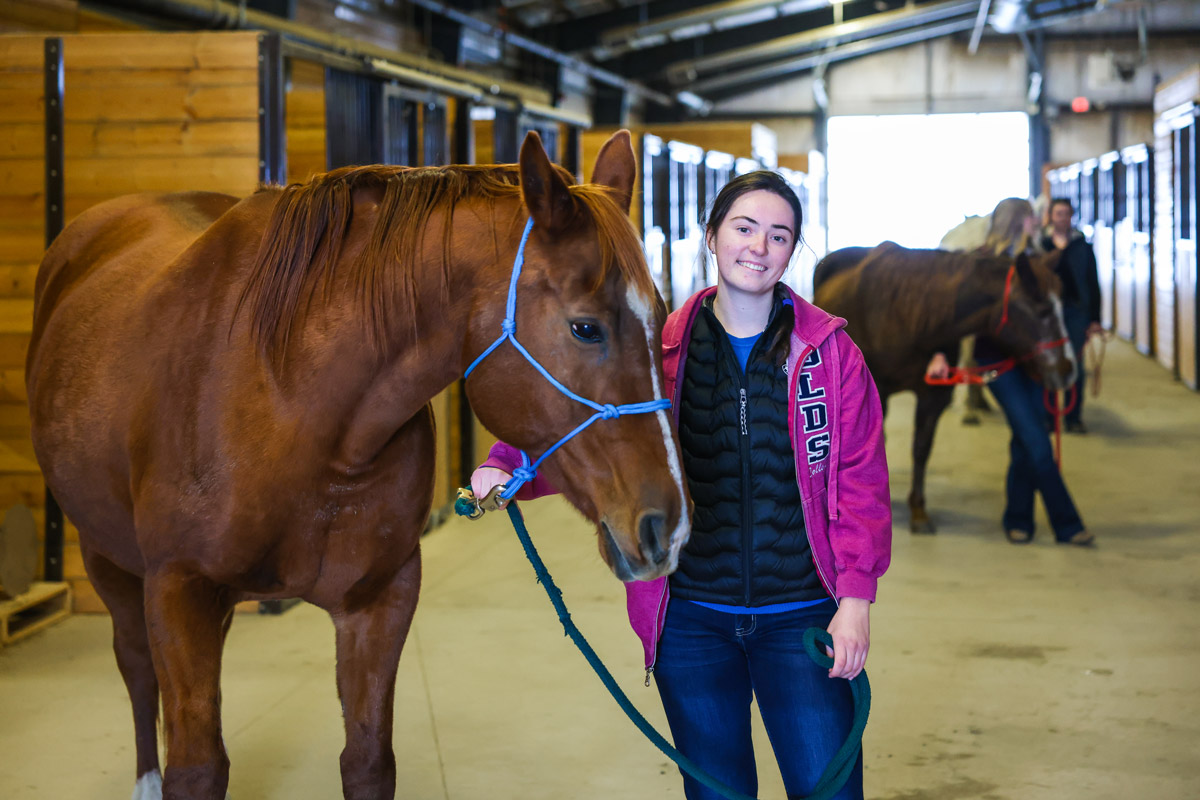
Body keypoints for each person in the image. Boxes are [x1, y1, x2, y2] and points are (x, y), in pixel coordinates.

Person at [472, 171, 892, 800]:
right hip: (692, 622)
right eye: (744, 228)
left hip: (800, 618)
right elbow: (599, 416)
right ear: (712, 236)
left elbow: (861, 479)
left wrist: (854, 600)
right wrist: (510, 464)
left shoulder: (831, 354)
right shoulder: (661, 348)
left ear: (793, 249)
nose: (759, 247)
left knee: (826, 789)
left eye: (779, 236)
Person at [926, 197, 1094, 547]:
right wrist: (941, 353)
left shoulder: (1037, 258)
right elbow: (953, 313)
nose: (1037, 222)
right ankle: (1066, 523)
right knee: (1036, 440)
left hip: (1033, 362)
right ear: (1018, 221)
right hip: (997, 365)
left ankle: (1018, 519)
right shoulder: (982, 263)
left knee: (1024, 442)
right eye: (1031, 218)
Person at [1041, 197, 1103, 433]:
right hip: (1047, 314)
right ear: (1051, 216)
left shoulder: (1082, 247)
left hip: (1075, 312)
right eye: (1058, 213)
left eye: (1066, 213)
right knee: (1047, 363)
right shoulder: (1041, 245)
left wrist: (1095, 318)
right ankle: (1048, 417)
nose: (1063, 218)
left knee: (1075, 364)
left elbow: (1092, 283)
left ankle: (1073, 417)